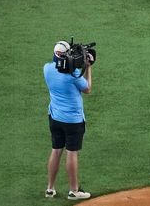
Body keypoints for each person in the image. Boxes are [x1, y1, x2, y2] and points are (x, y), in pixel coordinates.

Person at [43, 40, 93, 200]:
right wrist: (88, 68)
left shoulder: (47, 69)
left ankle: (50, 189)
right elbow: (87, 88)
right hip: (73, 121)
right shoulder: (73, 76)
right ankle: (74, 191)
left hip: (55, 118)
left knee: (56, 151)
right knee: (72, 154)